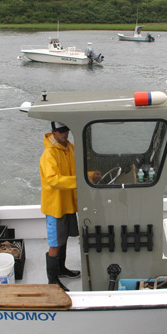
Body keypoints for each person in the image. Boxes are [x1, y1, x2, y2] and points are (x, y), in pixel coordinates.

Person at [40, 121, 99, 291]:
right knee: (55, 243)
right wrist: (82, 181)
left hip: (68, 204)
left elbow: (76, 172)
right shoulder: (48, 154)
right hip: (55, 207)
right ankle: (52, 280)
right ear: (53, 132)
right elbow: (52, 180)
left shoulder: (70, 148)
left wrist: (89, 175)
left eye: (66, 130)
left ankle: (61, 269)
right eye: (60, 131)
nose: (64, 134)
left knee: (64, 238)